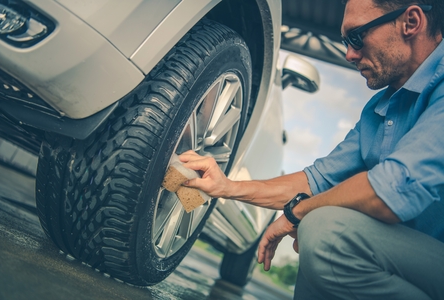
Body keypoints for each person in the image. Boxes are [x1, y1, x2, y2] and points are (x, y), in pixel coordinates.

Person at [179, 0, 444, 298]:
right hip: (409, 261)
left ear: (411, 22)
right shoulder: (379, 109)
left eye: (357, 37)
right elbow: (315, 181)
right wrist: (225, 186)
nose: (349, 54)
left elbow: (393, 189)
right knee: (315, 237)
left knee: (325, 230)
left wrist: (296, 212)